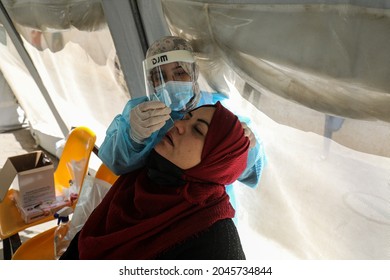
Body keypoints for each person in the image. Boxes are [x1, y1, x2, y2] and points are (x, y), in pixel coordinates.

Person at [99, 35, 266, 213]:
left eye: (179, 73)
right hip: (153, 209)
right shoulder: (141, 113)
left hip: (207, 211)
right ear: (151, 81)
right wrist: (133, 137)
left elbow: (249, 174)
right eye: (159, 76)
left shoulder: (219, 111)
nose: (170, 82)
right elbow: (114, 163)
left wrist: (248, 147)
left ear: (193, 72)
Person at [61, 102, 249, 259]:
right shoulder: (141, 179)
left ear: (217, 160)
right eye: (185, 117)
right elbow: (82, 245)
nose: (178, 125)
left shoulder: (216, 245)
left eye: (198, 130)